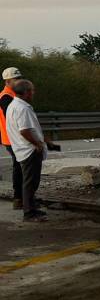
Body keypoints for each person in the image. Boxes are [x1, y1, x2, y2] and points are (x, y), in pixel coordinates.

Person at [6, 80, 60, 222]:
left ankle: (31, 207)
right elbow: (24, 130)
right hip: (28, 150)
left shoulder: (14, 105)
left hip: (22, 149)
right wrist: (37, 144)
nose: (33, 93)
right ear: (26, 92)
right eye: (32, 90)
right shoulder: (22, 108)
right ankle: (29, 212)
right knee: (31, 182)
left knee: (29, 181)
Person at [1, 67, 23, 210]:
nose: (19, 81)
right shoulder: (6, 97)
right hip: (11, 139)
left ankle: (20, 198)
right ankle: (19, 198)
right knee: (20, 167)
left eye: (20, 78)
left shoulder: (13, 95)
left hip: (13, 138)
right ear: (8, 81)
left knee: (20, 167)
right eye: (16, 79)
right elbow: (14, 118)